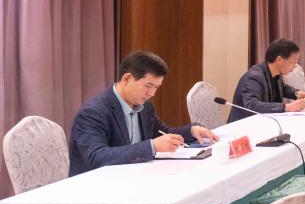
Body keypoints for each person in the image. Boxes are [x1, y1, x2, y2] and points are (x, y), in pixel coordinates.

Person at [68, 51, 219, 176]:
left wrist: (191, 131)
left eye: (156, 87)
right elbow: (97, 157)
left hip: (135, 176)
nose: (152, 93)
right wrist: (151, 147)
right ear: (127, 78)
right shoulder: (93, 112)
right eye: (148, 86)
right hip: (98, 186)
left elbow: (160, 132)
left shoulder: (145, 106)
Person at [229, 38, 305, 122]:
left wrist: (297, 94)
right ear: (279, 59)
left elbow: (282, 88)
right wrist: (286, 107)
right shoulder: (254, 77)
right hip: (243, 126)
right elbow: (252, 105)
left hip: (264, 121)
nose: (295, 66)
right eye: (293, 62)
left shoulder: (274, 73)